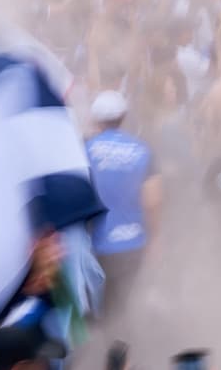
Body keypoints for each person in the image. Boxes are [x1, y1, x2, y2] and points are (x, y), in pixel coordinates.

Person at [85, 90, 162, 319]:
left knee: (99, 309)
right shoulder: (142, 150)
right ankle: (123, 349)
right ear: (123, 116)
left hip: (95, 245)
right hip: (132, 242)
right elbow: (153, 200)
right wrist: (155, 237)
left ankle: (102, 350)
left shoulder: (84, 150)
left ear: (95, 119)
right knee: (123, 307)